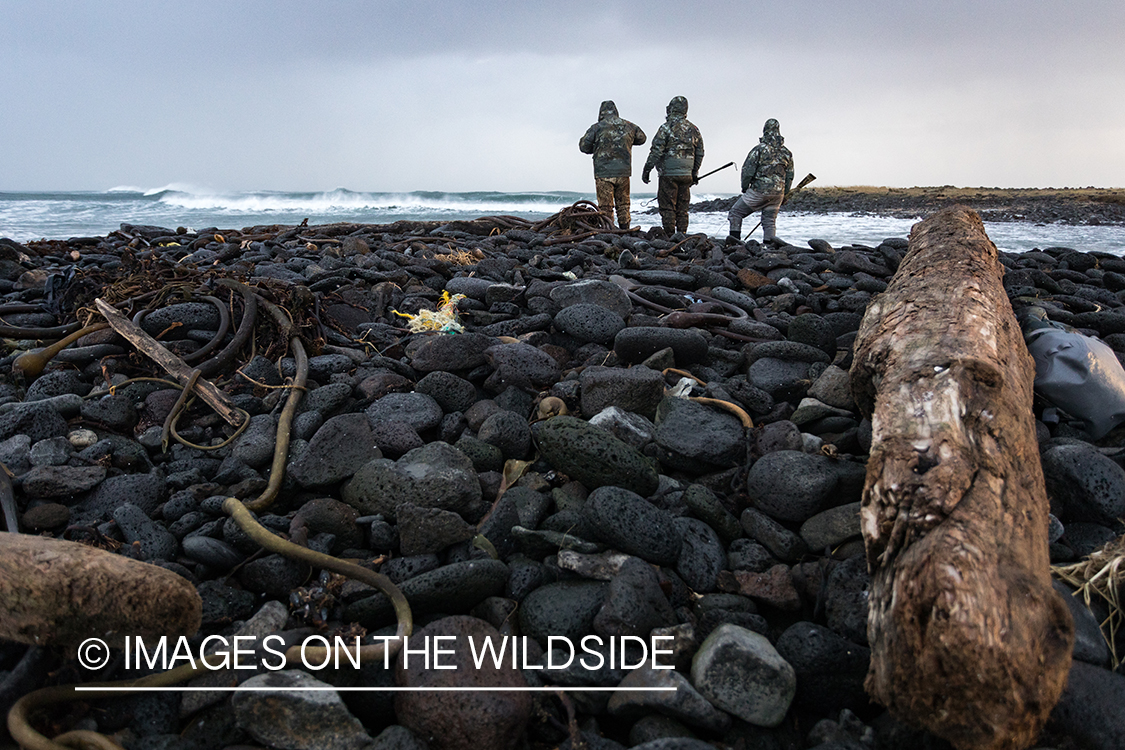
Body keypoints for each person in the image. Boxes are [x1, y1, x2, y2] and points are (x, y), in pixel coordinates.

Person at [579, 101, 647, 230]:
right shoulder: (629, 125)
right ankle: (625, 229)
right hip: (623, 171)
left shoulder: (596, 127)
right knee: (624, 204)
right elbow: (642, 138)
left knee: (605, 206)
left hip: (603, 173)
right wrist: (627, 143)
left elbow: (584, 147)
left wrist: (597, 147)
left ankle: (609, 230)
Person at [642, 96, 704, 235]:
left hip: (668, 174)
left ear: (671, 109)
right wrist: (694, 173)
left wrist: (647, 170)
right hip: (687, 174)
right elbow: (700, 153)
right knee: (683, 208)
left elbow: (656, 151)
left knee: (668, 207)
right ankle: (681, 235)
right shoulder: (694, 129)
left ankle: (670, 236)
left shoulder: (666, 127)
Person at [727, 118, 794, 244]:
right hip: (778, 193)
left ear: (765, 131)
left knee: (735, 213)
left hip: (759, 190)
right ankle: (769, 247)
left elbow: (747, 171)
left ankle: (734, 244)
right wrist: (785, 193)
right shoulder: (787, 153)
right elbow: (789, 175)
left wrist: (745, 187)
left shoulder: (759, 149)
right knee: (769, 221)